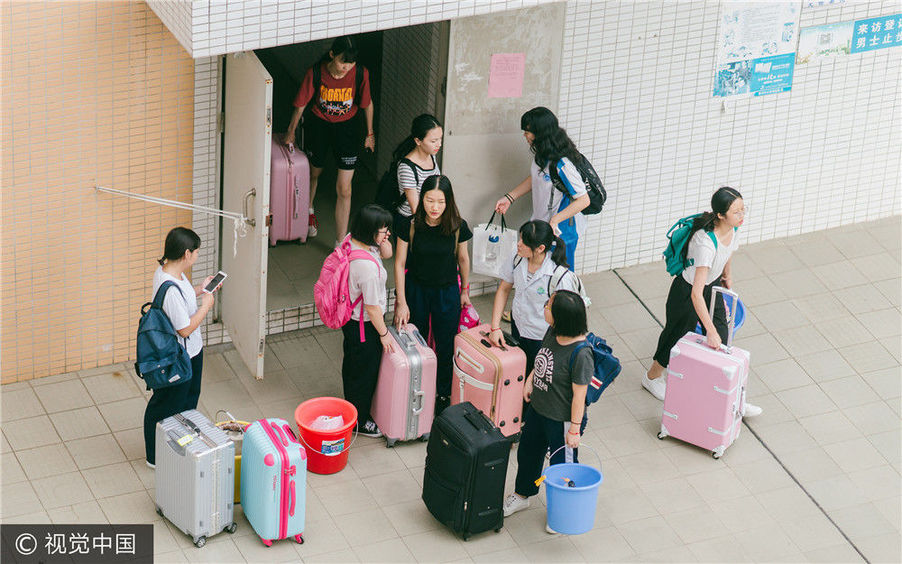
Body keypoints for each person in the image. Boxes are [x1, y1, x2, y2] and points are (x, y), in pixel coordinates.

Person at [643, 187, 762, 417]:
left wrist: (727, 275)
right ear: (720, 215)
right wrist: (709, 331)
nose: (741, 215)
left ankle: (732, 397)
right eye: (736, 211)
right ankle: (651, 377)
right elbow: (696, 294)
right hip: (687, 292)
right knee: (675, 338)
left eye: (742, 209)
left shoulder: (735, 228)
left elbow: (729, 252)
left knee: (723, 339)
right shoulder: (705, 243)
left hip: (713, 284)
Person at [502, 290, 592, 532]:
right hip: (539, 410)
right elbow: (544, 355)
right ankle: (523, 494)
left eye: (549, 306)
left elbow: (579, 396)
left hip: (562, 421)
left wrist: (574, 429)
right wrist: (531, 380)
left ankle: (564, 513)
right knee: (529, 454)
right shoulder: (553, 331)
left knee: (562, 467)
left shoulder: (581, 353)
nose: (545, 307)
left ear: (561, 317)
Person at [283, 35, 375, 243]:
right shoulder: (316, 73)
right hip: (320, 125)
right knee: (314, 172)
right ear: (332, 55)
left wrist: (370, 134)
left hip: (348, 128)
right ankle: (308, 212)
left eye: (351, 63)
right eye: (343, 62)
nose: (346, 67)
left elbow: (367, 103)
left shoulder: (360, 73)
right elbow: (301, 104)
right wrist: (291, 131)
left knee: (344, 188)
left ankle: (340, 242)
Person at [393, 175, 472, 415]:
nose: (434, 207)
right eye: (429, 200)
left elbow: (463, 259)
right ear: (421, 198)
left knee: (446, 344)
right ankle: (415, 387)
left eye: (440, 201)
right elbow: (399, 263)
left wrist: (465, 291)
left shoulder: (458, 226)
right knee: (414, 342)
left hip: (447, 292)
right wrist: (401, 302)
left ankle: (442, 394)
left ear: (448, 202)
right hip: (416, 289)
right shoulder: (410, 224)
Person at [143, 227, 218, 468]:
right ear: (187, 253)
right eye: (196, 252)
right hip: (179, 356)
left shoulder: (172, 273)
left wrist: (202, 289)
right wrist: (206, 306)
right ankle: (155, 456)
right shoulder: (170, 287)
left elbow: (183, 297)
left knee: (188, 399)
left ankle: (181, 445)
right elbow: (184, 329)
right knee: (167, 403)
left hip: (192, 351)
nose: (197, 255)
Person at [494, 107, 589, 271]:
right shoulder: (543, 156)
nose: (525, 135)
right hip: (542, 226)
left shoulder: (562, 164)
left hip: (560, 232)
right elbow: (536, 179)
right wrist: (509, 198)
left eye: (528, 131)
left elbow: (583, 200)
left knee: (561, 277)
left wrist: (555, 220)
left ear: (541, 132)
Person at [488, 220, 579, 376]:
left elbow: (567, 317)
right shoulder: (516, 258)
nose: (519, 244)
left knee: (537, 377)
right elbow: (504, 290)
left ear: (540, 249)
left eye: (524, 242)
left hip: (543, 337)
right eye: (520, 238)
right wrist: (495, 327)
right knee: (519, 371)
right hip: (518, 327)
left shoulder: (559, 276)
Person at [340, 204, 395, 438]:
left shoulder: (351, 240)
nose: (388, 234)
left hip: (351, 320)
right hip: (364, 325)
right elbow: (372, 309)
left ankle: (351, 407)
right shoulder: (366, 270)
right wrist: (384, 335)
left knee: (353, 365)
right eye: (384, 231)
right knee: (364, 371)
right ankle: (359, 421)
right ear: (371, 231)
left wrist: (382, 241)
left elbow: (388, 253)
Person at [392, 114, 443, 232]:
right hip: (411, 222)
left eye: (440, 139)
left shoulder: (431, 155)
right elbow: (415, 208)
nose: (439, 144)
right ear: (418, 141)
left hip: (430, 216)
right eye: (434, 141)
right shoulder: (407, 167)